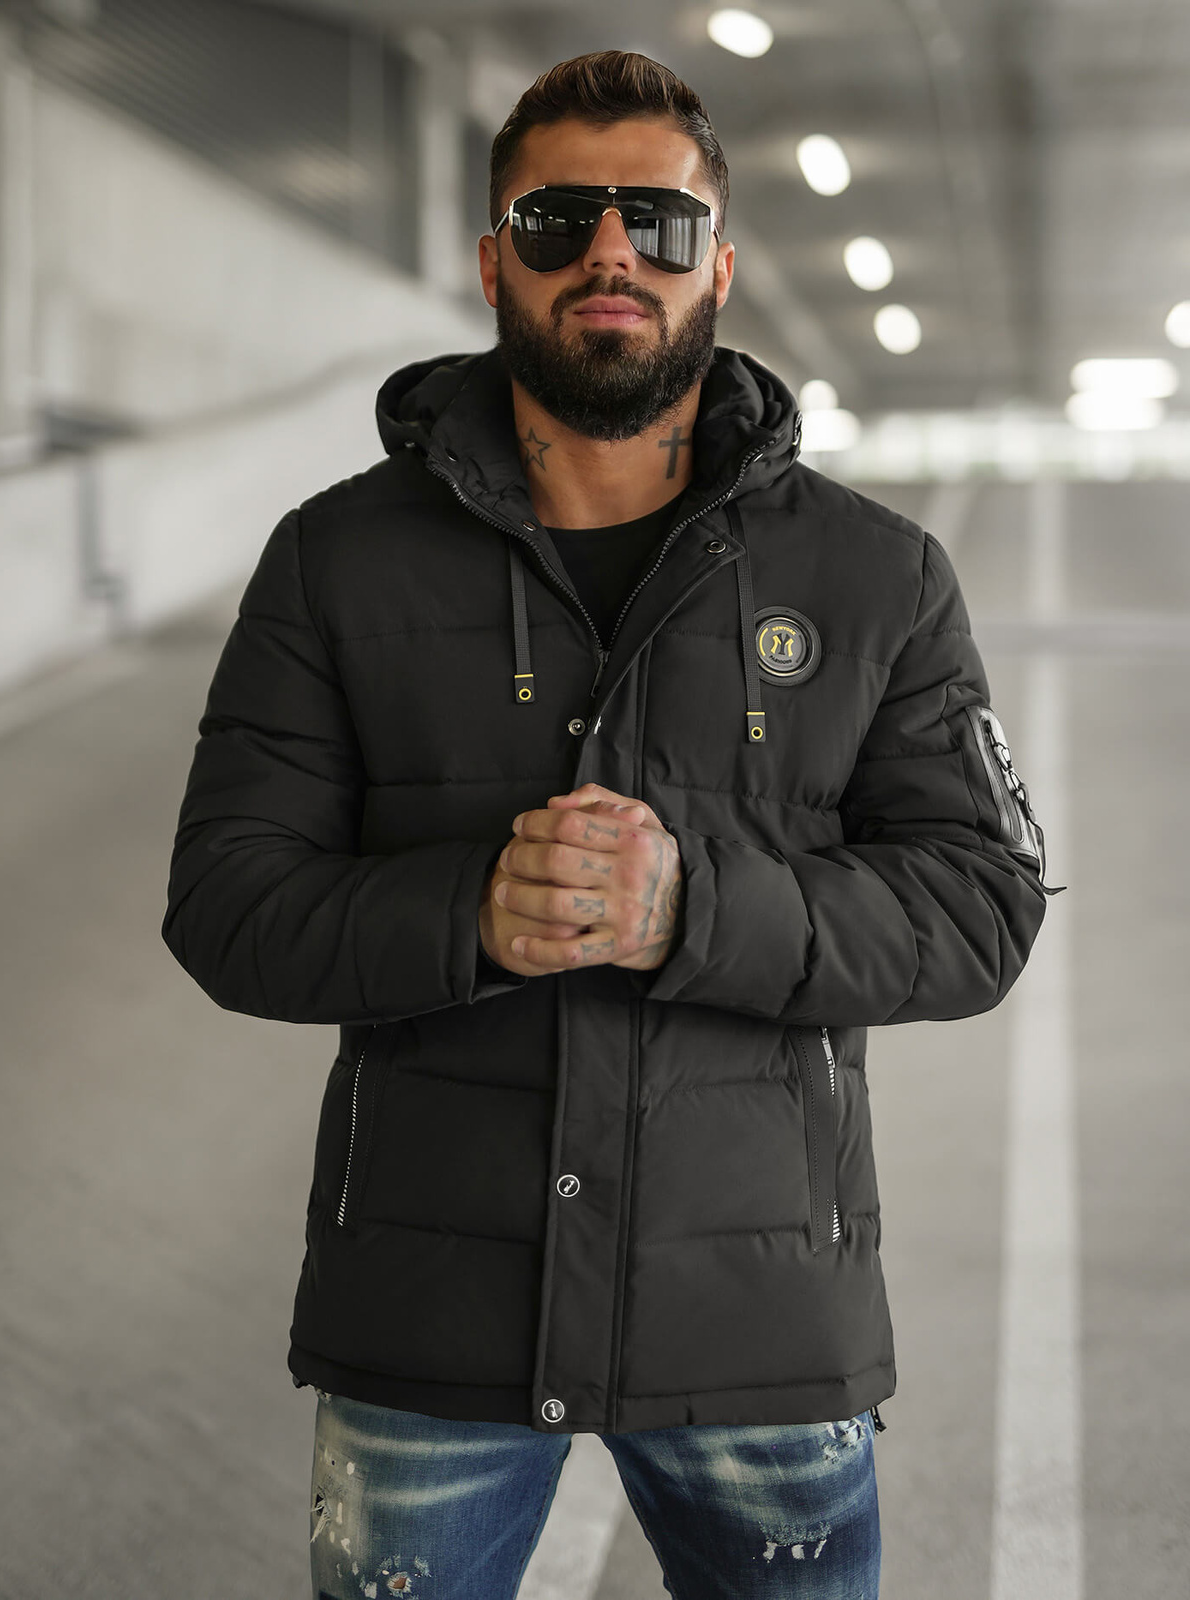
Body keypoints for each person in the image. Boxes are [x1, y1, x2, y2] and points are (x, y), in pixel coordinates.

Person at [161, 49, 1054, 1600]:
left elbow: (982, 908)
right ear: (492, 257)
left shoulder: (877, 576)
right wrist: (472, 914)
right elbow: (227, 901)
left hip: (758, 1319)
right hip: (430, 1319)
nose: (611, 254)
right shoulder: (335, 563)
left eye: (659, 221)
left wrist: (689, 910)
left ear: (722, 264)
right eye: (560, 218)